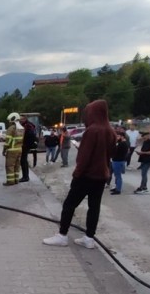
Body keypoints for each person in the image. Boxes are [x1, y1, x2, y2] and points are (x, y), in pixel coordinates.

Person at [43, 99, 115, 249]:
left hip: (86, 175)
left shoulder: (92, 130)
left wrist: (77, 173)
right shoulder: (110, 131)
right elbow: (109, 154)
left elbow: (84, 156)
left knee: (69, 204)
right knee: (94, 207)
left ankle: (62, 235)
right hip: (101, 176)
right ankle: (89, 238)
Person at [3, 112, 24, 186]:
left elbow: (8, 141)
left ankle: (10, 181)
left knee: (10, 166)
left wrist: (4, 149)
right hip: (19, 149)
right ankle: (16, 179)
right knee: (17, 165)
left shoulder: (11, 128)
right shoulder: (21, 128)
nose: (9, 122)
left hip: (12, 150)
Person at [109, 127, 129, 194]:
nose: (117, 137)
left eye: (118, 136)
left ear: (122, 137)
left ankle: (118, 189)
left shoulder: (122, 144)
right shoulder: (120, 143)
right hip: (117, 160)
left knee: (118, 176)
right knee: (116, 175)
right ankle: (116, 187)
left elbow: (115, 152)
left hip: (118, 161)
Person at [19, 115, 37, 182]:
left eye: (22, 119)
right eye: (20, 119)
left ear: (25, 119)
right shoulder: (29, 125)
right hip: (26, 145)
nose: (20, 120)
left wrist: (25, 144)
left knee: (23, 161)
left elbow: (29, 135)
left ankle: (25, 177)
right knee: (24, 161)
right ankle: (25, 176)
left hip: (26, 145)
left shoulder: (27, 126)